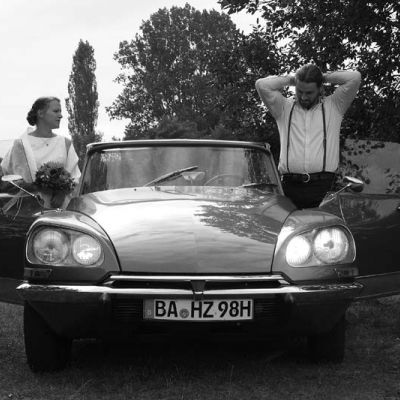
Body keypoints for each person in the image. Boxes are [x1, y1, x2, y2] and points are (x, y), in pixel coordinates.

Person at [255, 64, 361, 208]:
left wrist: (322, 77)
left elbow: (354, 77)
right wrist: (292, 79)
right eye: (300, 91)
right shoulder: (283, 107)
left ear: (320, 89)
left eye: (309, 92)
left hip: (324, 186)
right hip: (289, 187)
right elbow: (261, 84)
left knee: (323, 223)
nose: (304, 97)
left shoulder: (335, 106)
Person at [1, 96, 80, 209]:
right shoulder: (21, 145)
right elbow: (7, 175)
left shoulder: (65, 143)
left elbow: (75, 177)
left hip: (62, 209)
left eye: (60, 111)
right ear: (41, 113)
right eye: (56, 111)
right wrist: (32, 187)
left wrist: (63, 192)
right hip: (30, 208)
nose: (61, 115)